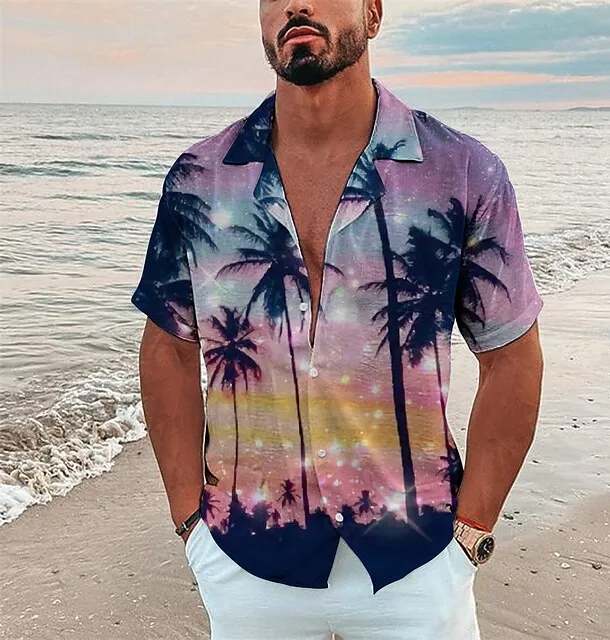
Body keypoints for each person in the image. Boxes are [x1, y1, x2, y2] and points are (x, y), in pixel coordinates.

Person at [130, 1, 544, 638]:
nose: (296, 3)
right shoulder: (200, 179)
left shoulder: (461, 172)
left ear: (372, 13)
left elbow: (511, 354)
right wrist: (190, 521)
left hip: (419, 559)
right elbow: (168, 347)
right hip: (247, 556)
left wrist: (472, 532)